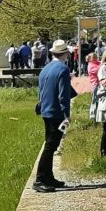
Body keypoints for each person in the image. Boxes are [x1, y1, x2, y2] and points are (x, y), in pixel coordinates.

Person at [34, 40, 72, 193]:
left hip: (46, 109)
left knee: (50, 143)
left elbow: (41, 90)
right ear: (65, 53)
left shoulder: (46, 68)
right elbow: (64, 96)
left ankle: (48, 176)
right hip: (56, 112)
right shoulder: (63, 69)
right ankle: (40, 178)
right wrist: (67, 115)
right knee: (51, 146)